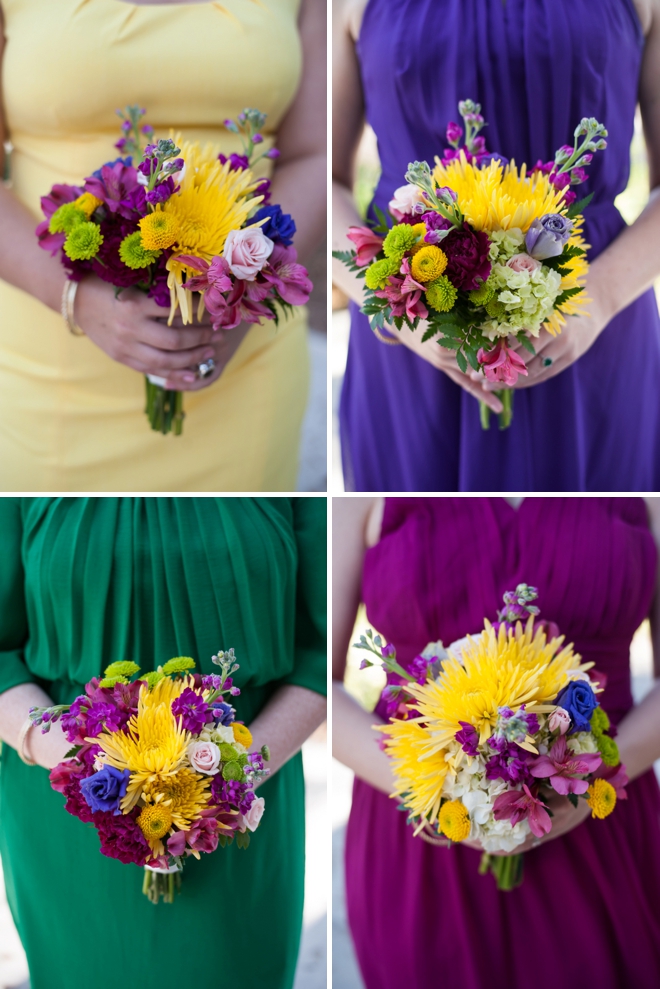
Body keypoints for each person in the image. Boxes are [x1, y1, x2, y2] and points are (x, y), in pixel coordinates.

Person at [333, 496, 660, 989]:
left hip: (597, 815)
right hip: (421, 840)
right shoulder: (358, 503)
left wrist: (589, 782)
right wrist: (439, 791)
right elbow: (319, 684)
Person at [0, 497, 327, 989]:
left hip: (247, 797)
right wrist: (92, 769)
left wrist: (227, 780)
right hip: (67, 811)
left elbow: (322, 648)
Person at [332, 0, 660, 491]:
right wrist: (401, 316)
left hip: (592, 323)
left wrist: (602, 299)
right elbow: (326, 179)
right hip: (411, 334)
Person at [0, 0, 326, 490]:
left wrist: (240, 299)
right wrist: (78, 300)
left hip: (243, 363)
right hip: (51, 370)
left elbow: (315, 153)